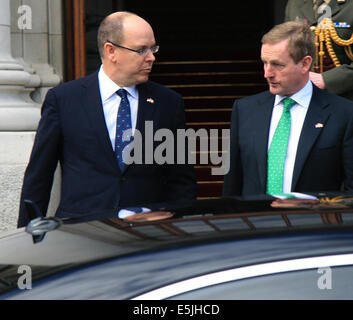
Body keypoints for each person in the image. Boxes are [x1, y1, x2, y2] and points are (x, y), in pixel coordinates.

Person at [17, 11, 197, 227]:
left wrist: (180, 228)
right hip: (82, 233)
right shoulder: (64, 100)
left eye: (153, 48)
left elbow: (181, 179)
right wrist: (28, 237)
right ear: (111, 51)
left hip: (148, 236)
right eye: (141, 50)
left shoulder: (168, 103)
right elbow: (39, 176)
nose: (152, 57)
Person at [223, 20, 353, 198]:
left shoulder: (343, 114)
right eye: (265, 63)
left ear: (305, 64)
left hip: (313, 223)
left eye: (278, 65)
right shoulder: (245, 110)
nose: (267, 73)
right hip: (255, 223)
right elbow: (232, 186)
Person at [284, 0, 353, 100]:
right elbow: (286, 47)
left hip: (346, 97)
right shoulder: (295, 3)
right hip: (303, 96)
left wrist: (326, 79)